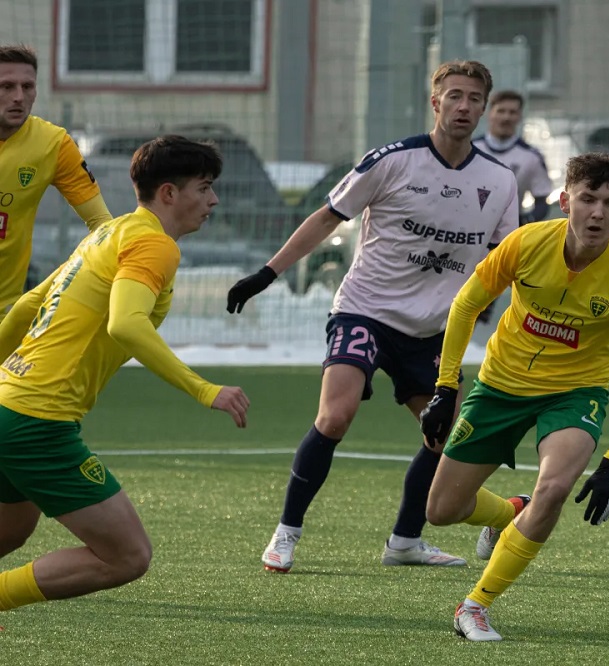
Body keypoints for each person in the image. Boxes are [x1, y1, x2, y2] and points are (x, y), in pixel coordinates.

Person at [226, 60, 519, 573]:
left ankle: (404, 542)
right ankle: (286, 534)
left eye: (474, 98)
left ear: (485, 107)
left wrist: (497, 321)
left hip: (434, 331)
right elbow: (325, 217)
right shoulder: (393, 160)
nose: (464, 106)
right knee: (335, 416)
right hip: (366, 311)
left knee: (443, 438)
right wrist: (267, 275)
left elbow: (501, 264)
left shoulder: (498, 181)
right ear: (436, 102)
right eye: (454, 96)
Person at [0, 135, 250, 612]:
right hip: (36, 420)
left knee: (13, 528)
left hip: (7, 402)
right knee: (127, 556)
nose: (213, 200)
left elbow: (25, 308)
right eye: (204, 187)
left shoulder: (106, 233)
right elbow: (126, 323)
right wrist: (204, 389)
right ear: (169, 194)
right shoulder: (154, 245)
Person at [420, 152, 609, 641]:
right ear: (565, 199)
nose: (596, 212)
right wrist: (447, 385)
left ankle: (475, 605)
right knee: (441, 511)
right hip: (499, 385)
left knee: (553, 490)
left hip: (574, 394)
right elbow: (466, 304)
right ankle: (512, 511)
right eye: (588, 199)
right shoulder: (525, 243)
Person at [0, 43, 113, 321]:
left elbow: (102, 226)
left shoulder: (53, 144)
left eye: (27, 87)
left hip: (6, 312)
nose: (18, 97)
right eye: (6, 86)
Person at [472, 90, 553, 226]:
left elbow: (541, 201)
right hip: (468, 229)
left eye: (512, 112)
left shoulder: (531, 157)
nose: (506, 118)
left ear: (520, 116)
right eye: (501, 111)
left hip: (509, 235)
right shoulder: (470, 149)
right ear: (488, 113)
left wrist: (524, 223)